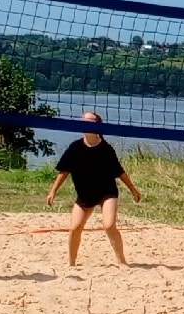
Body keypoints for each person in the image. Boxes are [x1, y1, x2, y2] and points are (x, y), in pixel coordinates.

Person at [48, 110, 142, 266]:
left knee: (109, 225)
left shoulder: (106, 149)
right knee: (75, 227)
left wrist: (133, 189)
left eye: (89, 121)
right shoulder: (75, 147)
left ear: (98, 126)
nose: (85, 123)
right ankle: (71, 264)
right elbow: (64, 171)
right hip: (85, 194)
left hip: (107, 192)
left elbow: (120, 172)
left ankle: (122, 262)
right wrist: (53, 191)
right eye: (83, 121)